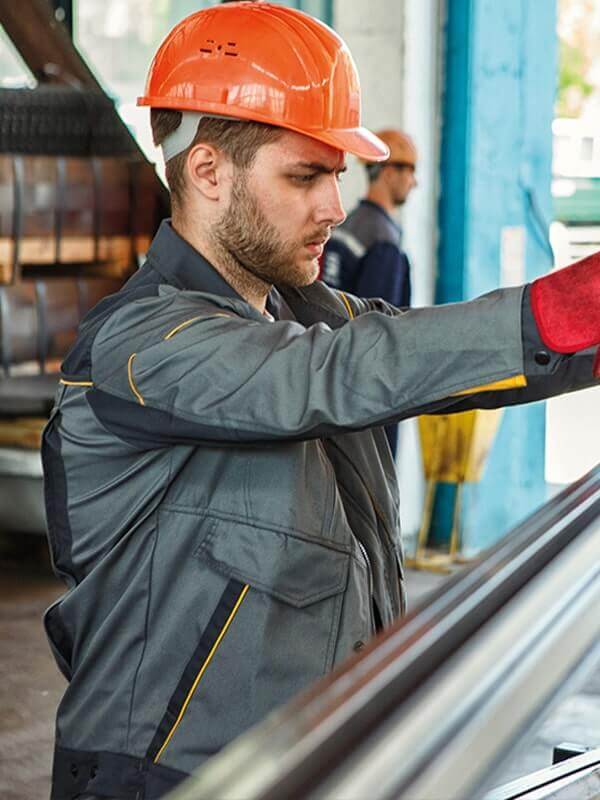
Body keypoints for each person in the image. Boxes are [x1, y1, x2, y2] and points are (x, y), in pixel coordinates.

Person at [42, 4, 600, 799]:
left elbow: (432, 355)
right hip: (159, 778)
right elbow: (336, 372)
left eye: (337, 174)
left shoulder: (310, 313)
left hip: (315, 757)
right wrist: (573, 307)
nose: (335, 207)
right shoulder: (141, 346)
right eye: (305, 176)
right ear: (208, 172)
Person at [321, 127, 418, 455]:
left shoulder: (348, 226)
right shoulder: (383, 241)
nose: (414, 182)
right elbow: (380, 331)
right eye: (410, 171)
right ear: (388, 173)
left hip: (330, 382)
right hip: (369, 397)